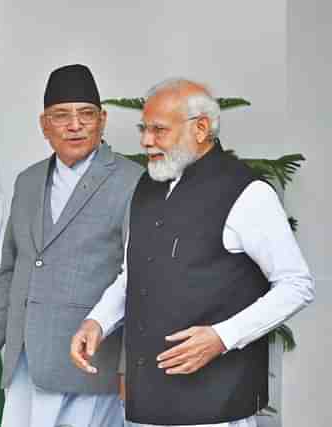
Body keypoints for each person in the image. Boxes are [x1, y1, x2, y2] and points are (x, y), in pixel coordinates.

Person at [71, 78, 314, 427]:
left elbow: (296, 284)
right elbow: (134, 274)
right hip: (147, 405)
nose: (145, 140)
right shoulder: (147, 185)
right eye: (144, 128)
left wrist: (222, 338)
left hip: (215, 406)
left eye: (158, 129)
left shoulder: (247, 192)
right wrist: (97, 321)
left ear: (200, 129)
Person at [0, 64, 143, 427]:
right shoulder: (28, 182)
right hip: (23, 363)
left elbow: (138, 279)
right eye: (61, 116)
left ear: (102, 120)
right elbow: (9, 272)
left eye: (85, 115)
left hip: (89, 367)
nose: (74, 125)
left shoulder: (132, 181)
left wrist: (129, 368)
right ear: (45, 125)